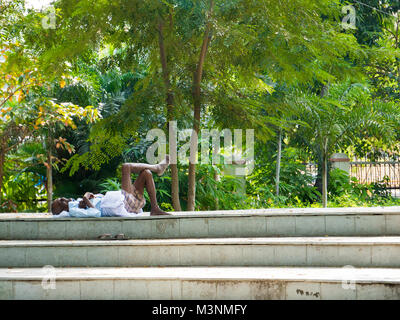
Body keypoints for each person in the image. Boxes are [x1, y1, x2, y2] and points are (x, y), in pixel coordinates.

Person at [51, 155, 171, 216]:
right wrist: (86, 199)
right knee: (126, 167)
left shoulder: (76, 204)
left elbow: (93, 206)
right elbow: (96, 214)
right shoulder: (73, 210)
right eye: (60, 201)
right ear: (61, 208)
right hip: (123, 204)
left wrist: (90, 199)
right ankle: (157, 168)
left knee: (146, 173)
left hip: (129, 203)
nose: (63, 198)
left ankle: (154, 208)